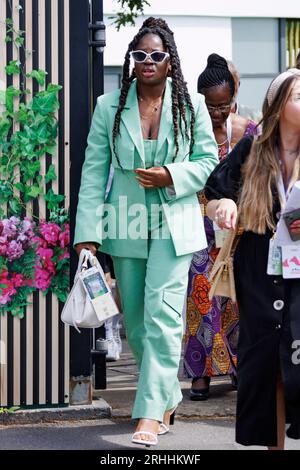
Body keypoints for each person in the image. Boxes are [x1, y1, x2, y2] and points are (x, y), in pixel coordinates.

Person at [73, 17, 218, 447]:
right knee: (136, 322)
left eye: (158, 55)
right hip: (126, 224)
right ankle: (166, 393)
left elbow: (208, 161)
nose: (149, 61)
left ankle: (150, 413)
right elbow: (95, 170)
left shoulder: (191, 107)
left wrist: (171, 175)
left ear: (170, 62)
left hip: (175, 226)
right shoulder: (108, 106)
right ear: (132, 61)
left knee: (163, 317)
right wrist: (88, 231)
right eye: (141, 55)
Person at [205, 68, 300, 449]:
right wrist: (225, 205)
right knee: (265, 366)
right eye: (298, 96)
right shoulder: (253, 148)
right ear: (278, 106)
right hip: (260, 269)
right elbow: (214, 191)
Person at [184, 54, 258, 400]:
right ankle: (200, 375)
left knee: (237, 299)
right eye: (211, 106)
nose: (218, 112)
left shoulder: (249, 130)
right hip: (198, 226)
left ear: (233, 99)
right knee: (201, 298)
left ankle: (240, 366)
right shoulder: (187, 133)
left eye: (224, 104)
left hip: (237, 228)